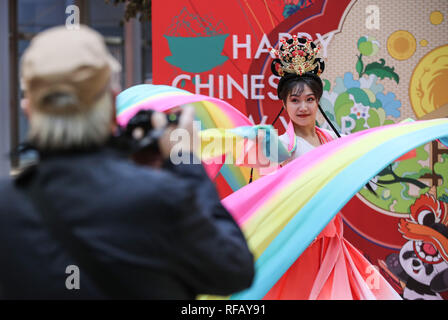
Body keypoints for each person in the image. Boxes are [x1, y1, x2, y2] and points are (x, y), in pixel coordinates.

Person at [0, 25, 254, 299]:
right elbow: (234, 269)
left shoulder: (8, 207)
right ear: (111, 101)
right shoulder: (161, 197)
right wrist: (185, 161)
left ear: (28, 109)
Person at [260, 36, 400, 299]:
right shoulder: (279, 146)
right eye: (295, 100)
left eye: (310, 99)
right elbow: (267, 200)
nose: (303, 107)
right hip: (299, 245)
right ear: (284, 103)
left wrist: (402, 134)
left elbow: (364, 155)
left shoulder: (331, 140)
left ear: (318, 101)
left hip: (332, 241)